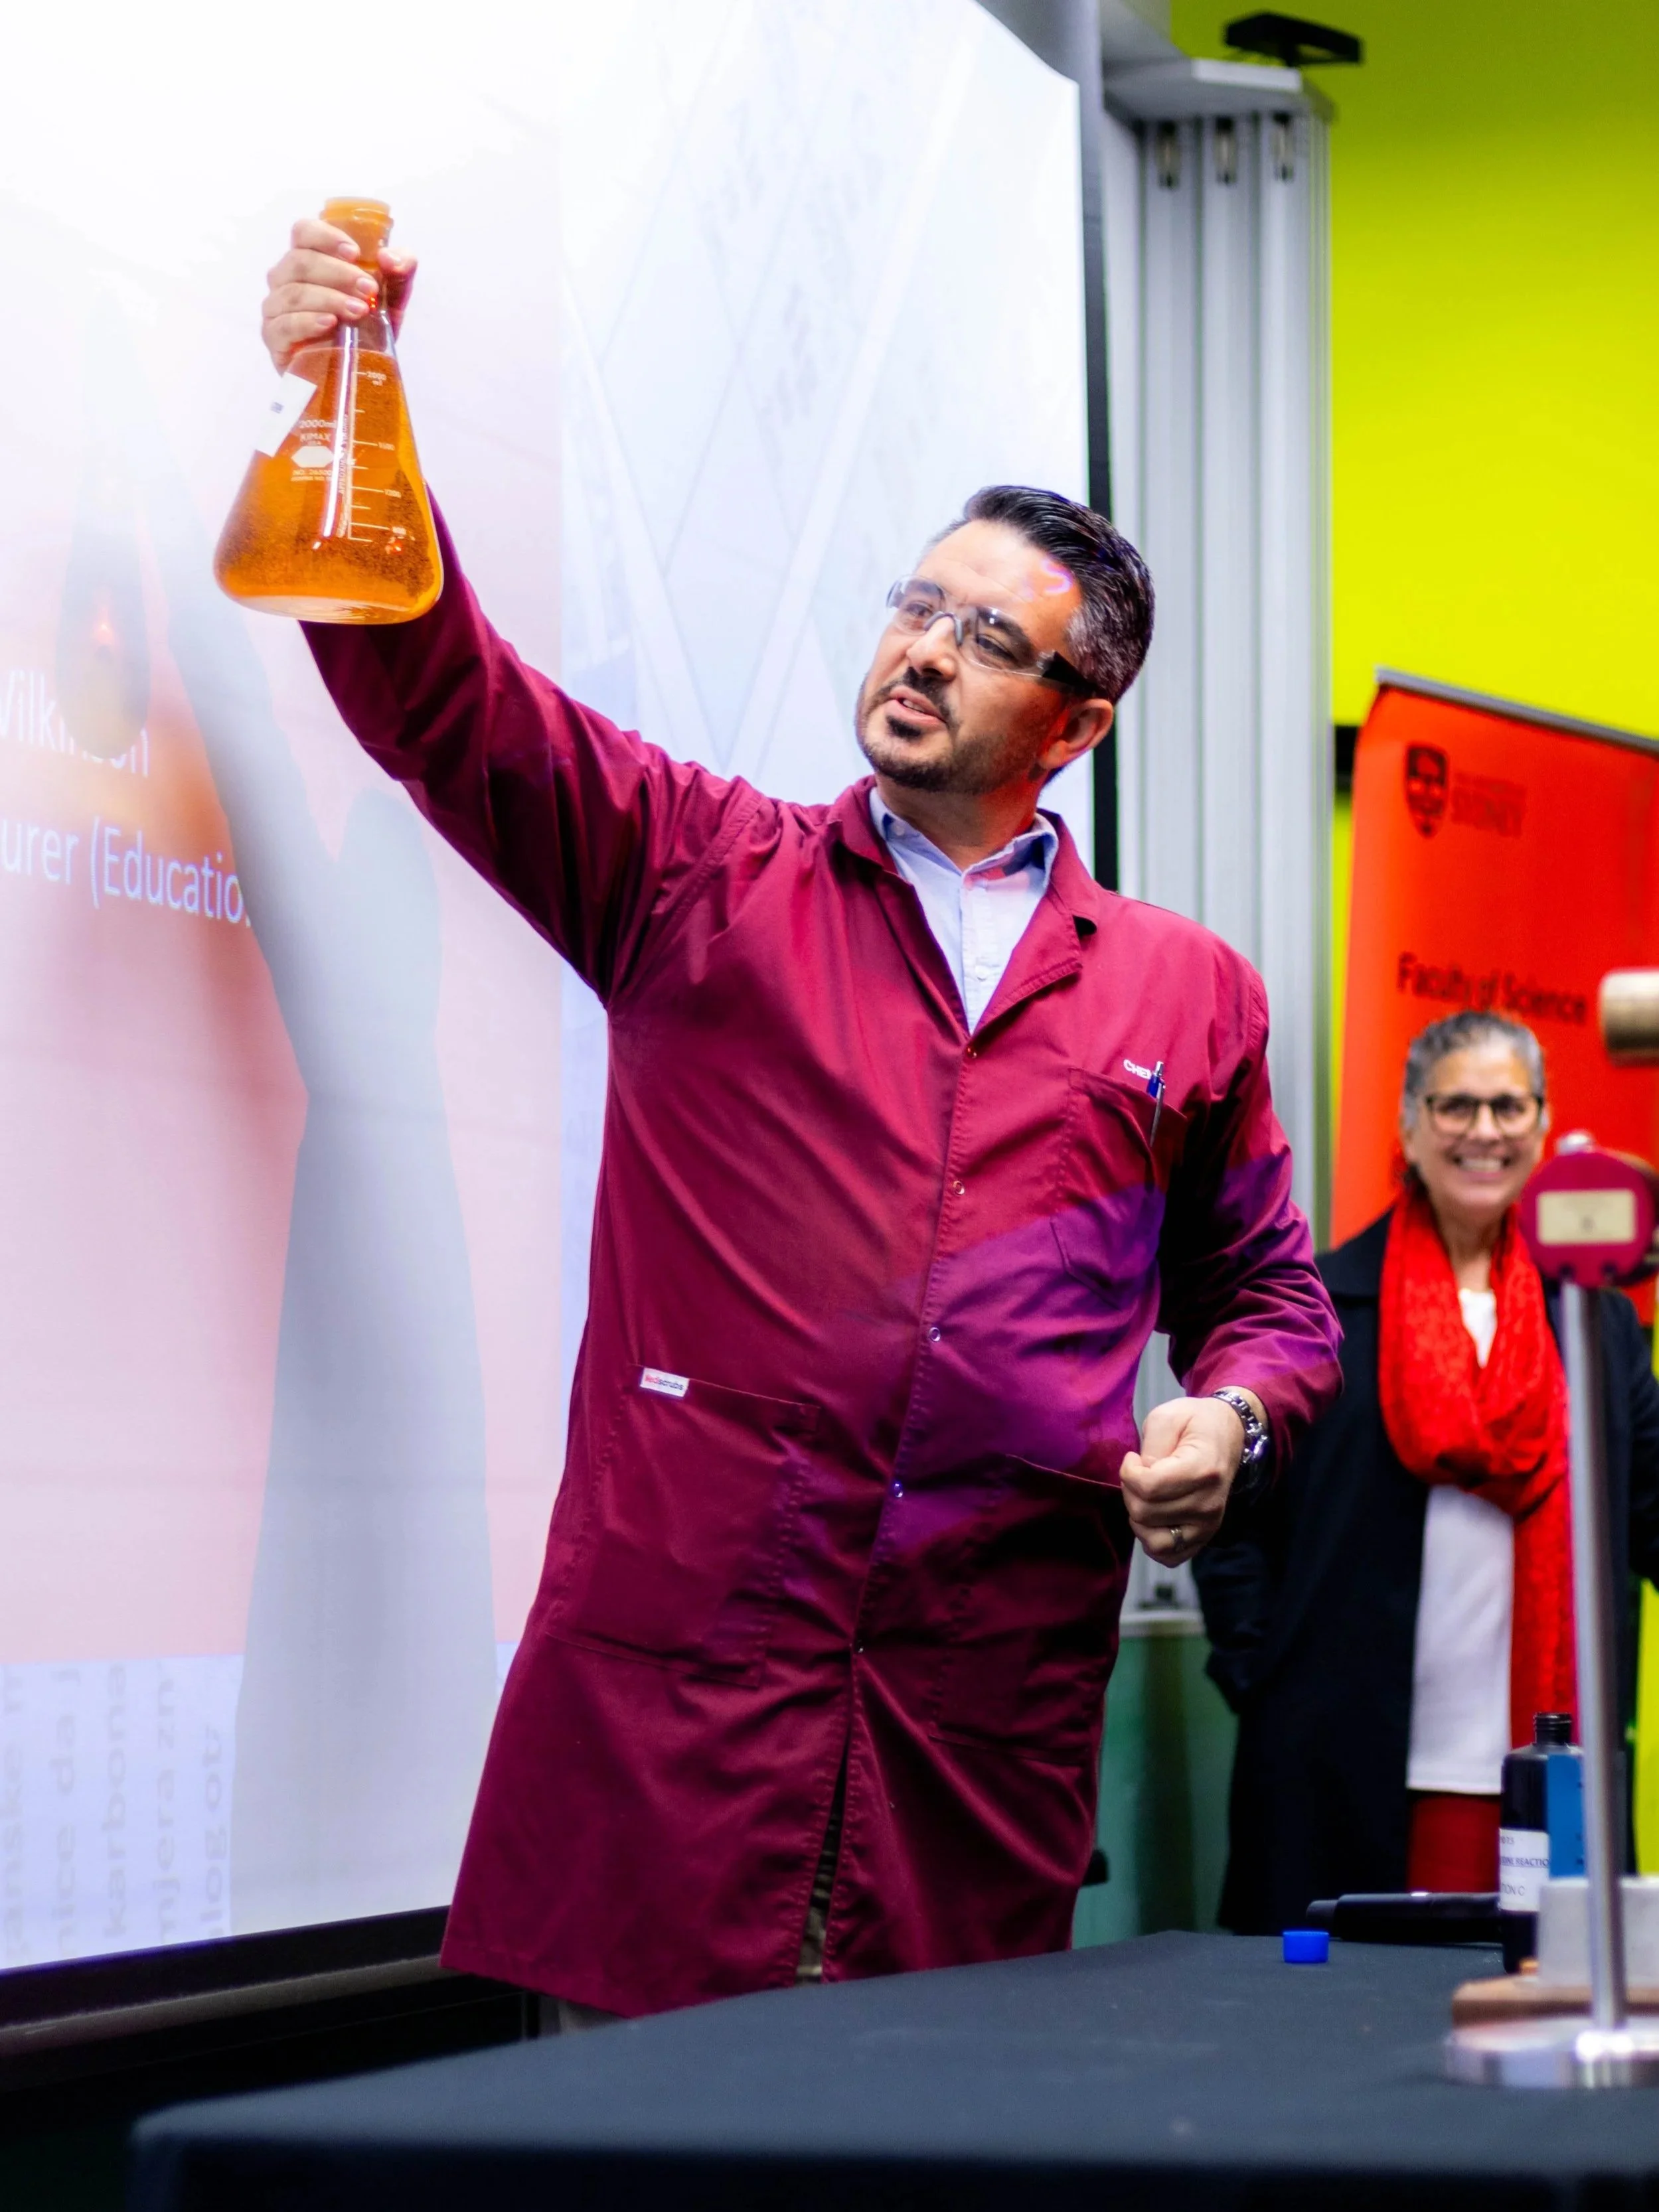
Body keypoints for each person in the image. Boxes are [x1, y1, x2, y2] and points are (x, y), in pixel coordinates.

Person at [255, 214, 1342, 2019]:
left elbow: (1274, 1301)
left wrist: (1231, 1414)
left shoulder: (1183, 991)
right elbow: (440, 694)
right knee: (625, 2159)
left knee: (916, 2157)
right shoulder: (699, 874)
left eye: (985, 637)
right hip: (684, 1705)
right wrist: (340, 407)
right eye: (915, 603)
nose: (920, 649)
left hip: (968, 1723)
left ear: (1075, 724)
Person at [1196, 1010, 1659, 1932]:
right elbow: (1232, 1520)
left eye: (1505, 1107)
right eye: (1454, 1106)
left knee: (1546, 2002)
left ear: (1541, 1125)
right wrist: (1263, 1670)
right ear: (1408, 1127)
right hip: (1341, 1760)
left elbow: (1648, 1510)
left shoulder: (1597, 1325)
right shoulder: (1320, 1306)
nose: (1481, 1131)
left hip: (1543, 1763)